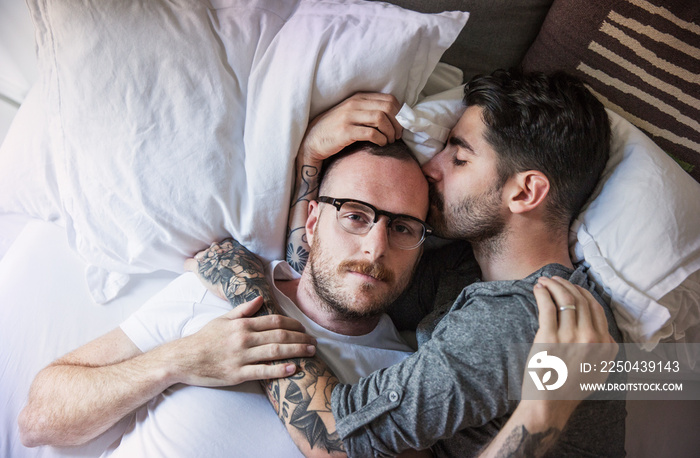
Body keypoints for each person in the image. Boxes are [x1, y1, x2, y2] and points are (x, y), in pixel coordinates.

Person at [192, 69, 626, 457]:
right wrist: (311, 159)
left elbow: (340, 437)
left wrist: (247, 288)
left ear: (525, 192)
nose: (432, 168)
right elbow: (333, 282)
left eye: (458, 158)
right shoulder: (463, 271)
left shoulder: (517, 318)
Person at [18, 142, 431, 456]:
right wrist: (178, 361)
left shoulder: (410, 376)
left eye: (403, 228)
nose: (376, 248)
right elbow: (38, 419)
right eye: (355, 215)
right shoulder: (213, 291)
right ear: (312, 222)